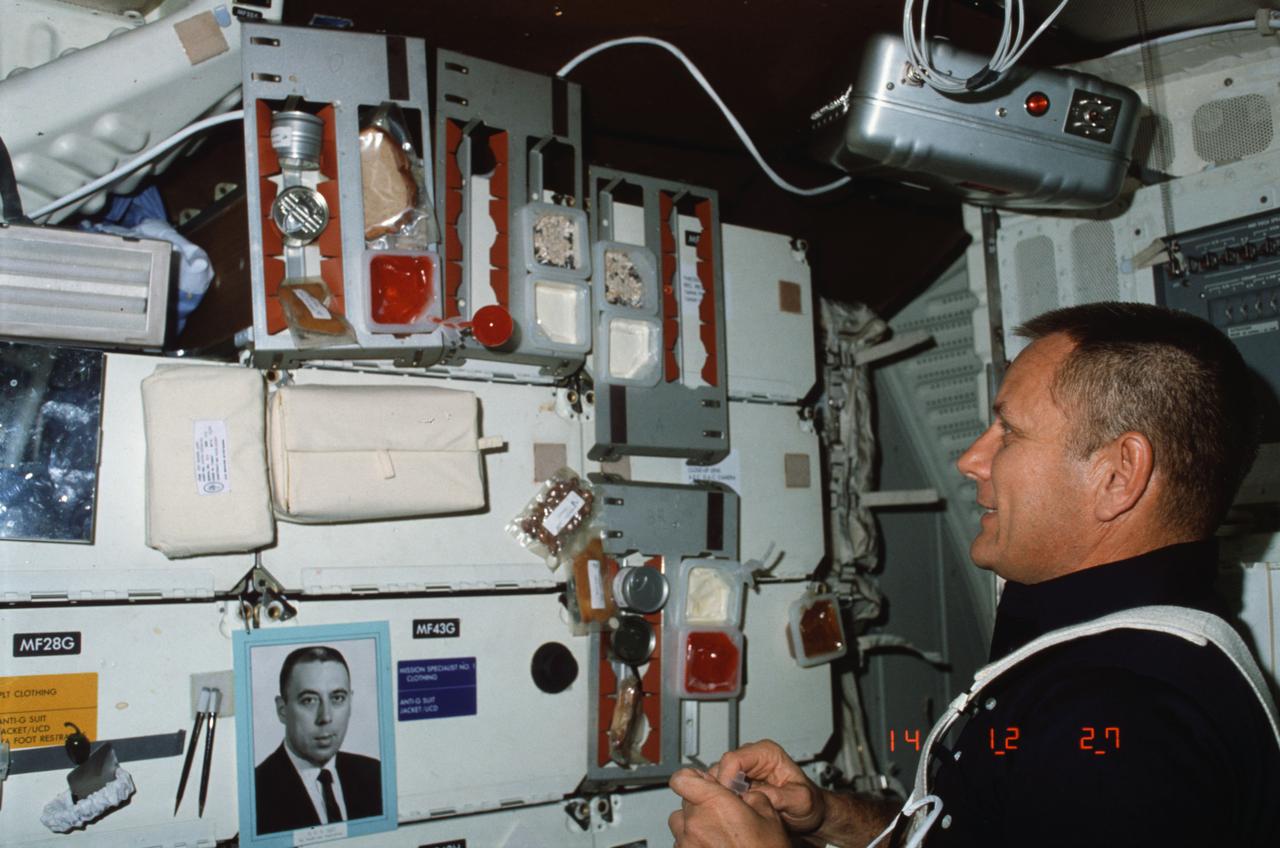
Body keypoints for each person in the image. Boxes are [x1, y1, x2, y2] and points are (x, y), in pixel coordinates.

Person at [670, 302, 1280, 847]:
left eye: (1009, 431)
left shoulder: (1124, 725)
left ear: (1118, 475)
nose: (970, 460)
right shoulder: (1110, 656)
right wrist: (828, 817)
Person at [255, 645, 383, 835]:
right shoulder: (256, 791)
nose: (326, 717)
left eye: (337, 698)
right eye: (309, 700)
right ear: (282, 710)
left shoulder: (375, 774)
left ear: (350, 702)